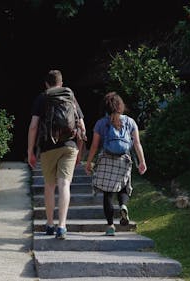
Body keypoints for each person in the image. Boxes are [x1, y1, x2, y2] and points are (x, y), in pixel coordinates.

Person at [27, 70, 86, 239]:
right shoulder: (70, 96)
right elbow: (82, 125)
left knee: (50, 185)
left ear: (47, 84)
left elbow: (33, 126)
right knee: (64, 184)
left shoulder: (42, 97)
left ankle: (50, 224)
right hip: (70, 145)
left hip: (48, 146)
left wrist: (30, 151)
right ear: (61, 83)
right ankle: (62, 226)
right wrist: (80, 151)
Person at [85, 92, 147, 236]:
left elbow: (94, 145)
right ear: (121, 105)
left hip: (107, 159)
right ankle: (123, 206)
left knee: (108, 194)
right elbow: (137, 144)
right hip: (124, 159)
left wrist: (89, 162)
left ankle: (110, 225)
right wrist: (142, 161)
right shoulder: (130, 122)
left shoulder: (101, 123)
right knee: (123, 187)